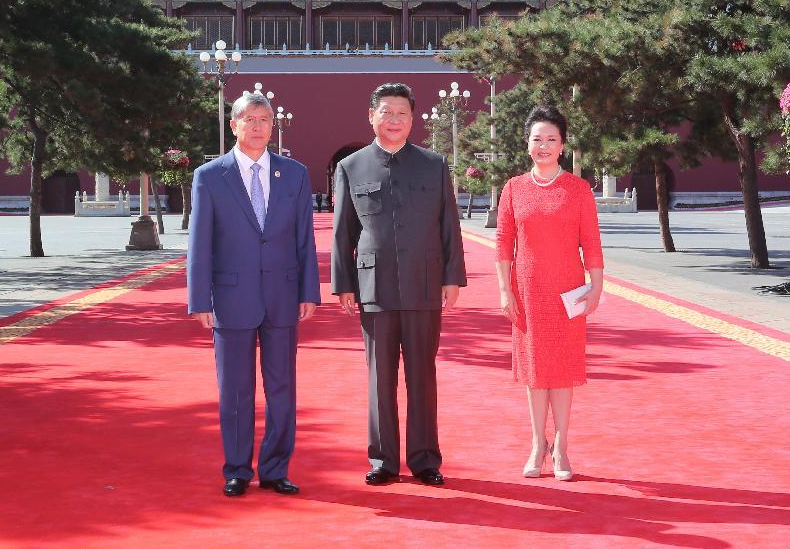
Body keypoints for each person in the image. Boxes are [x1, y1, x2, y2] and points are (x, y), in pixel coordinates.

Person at [332, 82, 467, 487]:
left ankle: (425, 459)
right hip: (375, 287)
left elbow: (449, 226)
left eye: (402, 113)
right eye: (386, 112)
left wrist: (452, 277)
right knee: (380, 377)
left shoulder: (433, 164)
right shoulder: (351, 167)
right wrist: (344, 284)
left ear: (412, 119)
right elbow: (343, 233)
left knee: (422, 375)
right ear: (371, 116)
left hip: (425, 283)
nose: (394, 120)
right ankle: (383, 459)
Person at [187, 92, 320, 497]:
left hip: (282, 296)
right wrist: (199, 300)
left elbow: (304, 239)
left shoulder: (294, 174)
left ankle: (276, 467)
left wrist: (308, 291)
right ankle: (238, 469)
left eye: (265, 119)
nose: (259, 126)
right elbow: (200, 243)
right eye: (250, 119)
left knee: (282, 388)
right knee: (236, 390)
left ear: (272, 125)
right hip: (231, 298)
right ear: (234, 125)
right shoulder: (210, 176)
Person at [494, 104, 604, 481]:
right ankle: (537, 444)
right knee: (535, 371)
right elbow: (503, 243)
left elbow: (591, 241)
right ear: (527, 144)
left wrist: (597, 286)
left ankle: (562, 446)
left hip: (567, 291)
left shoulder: (578, 189)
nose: (544, 146)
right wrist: (505, 291)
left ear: (562, 145)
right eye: (537, 139)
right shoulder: (513, 188)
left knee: (563, 370)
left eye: (551, 140)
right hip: (527, 291)